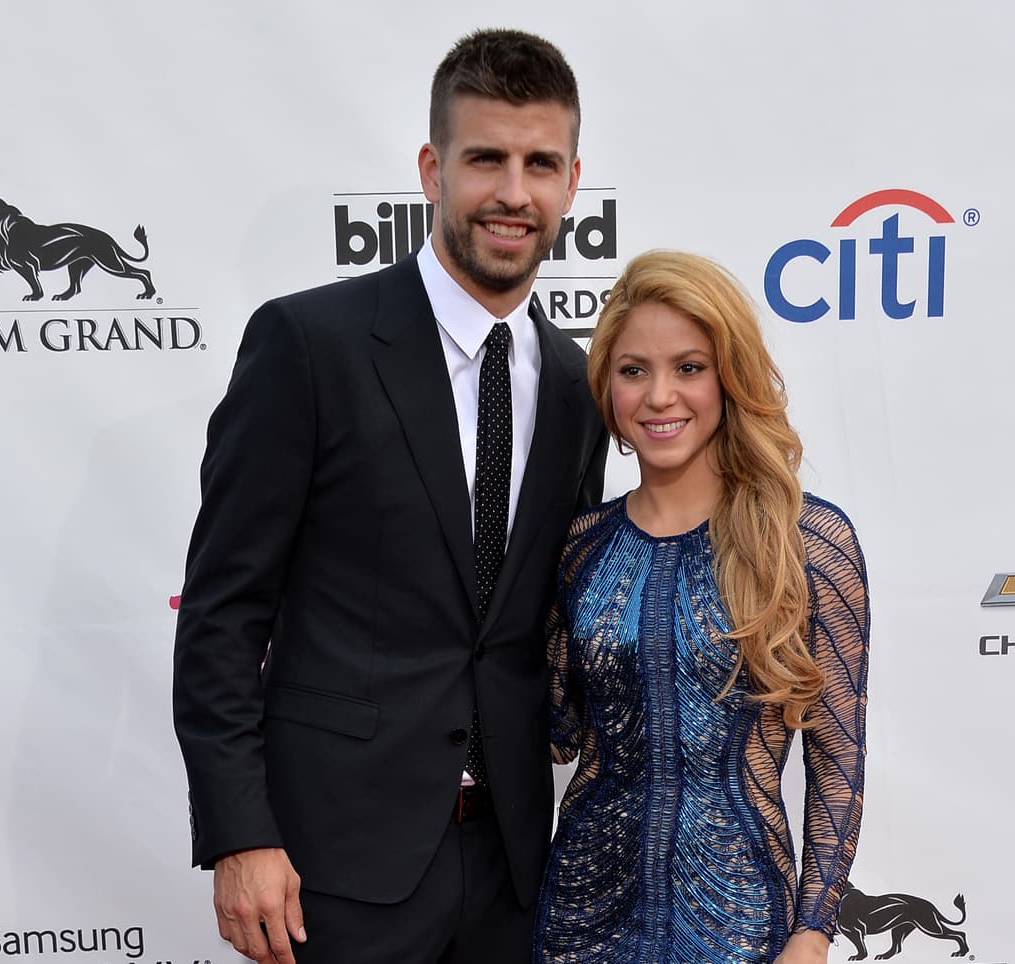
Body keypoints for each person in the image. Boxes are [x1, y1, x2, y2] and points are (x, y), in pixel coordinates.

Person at [173, 28, 608, 964]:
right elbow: (222, 612)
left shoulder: (582, 387)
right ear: (432, 169)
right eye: (484, 158)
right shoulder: (309, 345)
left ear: (574, 182)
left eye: (541, 163)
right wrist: (241, 833)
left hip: (515, 869)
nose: (513, 192)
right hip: (337, 866)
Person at [533, 251, 870, 964]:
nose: (660, 396)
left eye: (689, 367)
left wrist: (812, 931)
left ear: (729, 378)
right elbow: (557, 734)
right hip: (582, 916)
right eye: (633, 370)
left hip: (742, 922)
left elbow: (837, 754)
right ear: (607, 387)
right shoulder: (579, 547)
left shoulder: (806, 541)